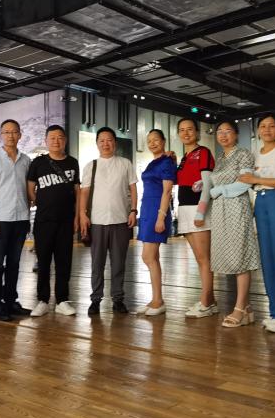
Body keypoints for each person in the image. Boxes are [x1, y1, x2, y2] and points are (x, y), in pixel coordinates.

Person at [238, 114, 275, 334]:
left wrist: (255, 179)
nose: (267, 129)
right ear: (257, 131)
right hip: (261, 202)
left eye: (272, 126)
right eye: (262, 126)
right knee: (268, 259)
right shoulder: (253, 154)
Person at [78, 127, 138, 316]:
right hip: (97, 221)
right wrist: (82, 215)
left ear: (115, 143)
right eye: (102, 140)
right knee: (97, 264)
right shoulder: (91, 165)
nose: (106, 144)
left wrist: (133, 210)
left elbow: (133, 189)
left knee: (119, 263)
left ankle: (118, 299)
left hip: (121, 220)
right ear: (97, 144)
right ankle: (95, 300)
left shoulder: (125, 163)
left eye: (109, 140)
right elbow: (84, 192)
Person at [208, 120, 261, 328]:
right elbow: (218, 179)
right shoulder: (220, 158)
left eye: (228, 131)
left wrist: (219, 190)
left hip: (237, 207)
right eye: (220, 132)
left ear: (236, 134)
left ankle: (239, 308)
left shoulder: (243, 154)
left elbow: (245, 182)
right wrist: (205, 184)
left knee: (240, 256)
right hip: (220, 210)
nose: (223, 135)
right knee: (228, 255)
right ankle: (246, 308)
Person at [26, 125, 80, 316]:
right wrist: (40, 202)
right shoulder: (38, 162)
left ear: (65, 140)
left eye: (60, 137)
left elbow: (77, 191)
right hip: (44, 220)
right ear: (46, 141)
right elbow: (30, 188)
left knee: (64, 261)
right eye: (52, 138)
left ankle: (62, 300)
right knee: (43, 261)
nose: (56, 141)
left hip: (66, 220)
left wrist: (77, 216)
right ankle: (42, 300)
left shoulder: (72, 162)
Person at [0, 119, 32, 322]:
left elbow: (29, 190)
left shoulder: (26, 160)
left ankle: (11, 301)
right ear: (1, 135)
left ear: (20, 135)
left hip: (21, 218)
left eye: (14, 132)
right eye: (6, 132)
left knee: (14, 263)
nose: (10, 136)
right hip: (0, 219)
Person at [175, 118, 218, 318]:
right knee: (200, 259)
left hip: (197, 210)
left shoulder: (204, 152)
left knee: (204, 259)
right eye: (182, 130)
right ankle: (211, 301)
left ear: (198, 133)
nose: (186, 133)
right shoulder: (183, 157)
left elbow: (207, 184)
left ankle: (205, 303)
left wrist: (201, 211)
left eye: (190, 129)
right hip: (184, 209)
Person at [137, 130, 176, 316]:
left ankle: (158, 301)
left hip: (156, 210)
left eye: (156, 140)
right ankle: (156, 299)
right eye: (149, 141)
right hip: (147, 209)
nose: (152, 143)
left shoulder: (166, 162)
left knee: (148, 257)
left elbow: (167, 191)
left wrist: (161, 216)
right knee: (153, 257)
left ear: (164, 141)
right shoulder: (155, 162)